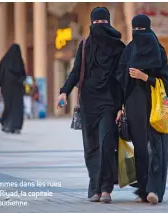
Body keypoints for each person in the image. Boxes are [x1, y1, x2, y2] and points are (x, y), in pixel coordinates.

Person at [56, 7, 125, 203]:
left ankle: (106, 189)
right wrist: (64, 92)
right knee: (91, 148)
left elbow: (122, 79)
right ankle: (95, 187)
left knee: (106, 144)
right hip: (88, 103)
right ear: (91, 24)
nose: (100, 27)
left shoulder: (119, 48)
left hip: (110, 103)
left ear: (109, 23)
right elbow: (76, 71)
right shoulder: (85, 45)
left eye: (103, 23)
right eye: (97, 23)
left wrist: (121, 106)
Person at [117, 14, 168, 204]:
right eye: (136, 30)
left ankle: (155, 190)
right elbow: (120, 79)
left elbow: (166, 82)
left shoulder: (158, 51)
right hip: (134, 107)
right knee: (141, 148)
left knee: (156, 147)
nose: (139, 33)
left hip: (155, 105)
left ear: (149, 30)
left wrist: (145, 77)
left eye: (142, 30)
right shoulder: (129, 51)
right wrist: (120, 107)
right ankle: (143, 190)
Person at [0, 43, 26, 134]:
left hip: (7, 88)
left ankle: (10, 125)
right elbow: (23, 75)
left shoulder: (4, 61)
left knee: (10, 107)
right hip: (17, 88)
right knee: (16, 108)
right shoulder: (19, 61)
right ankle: (13, 126)